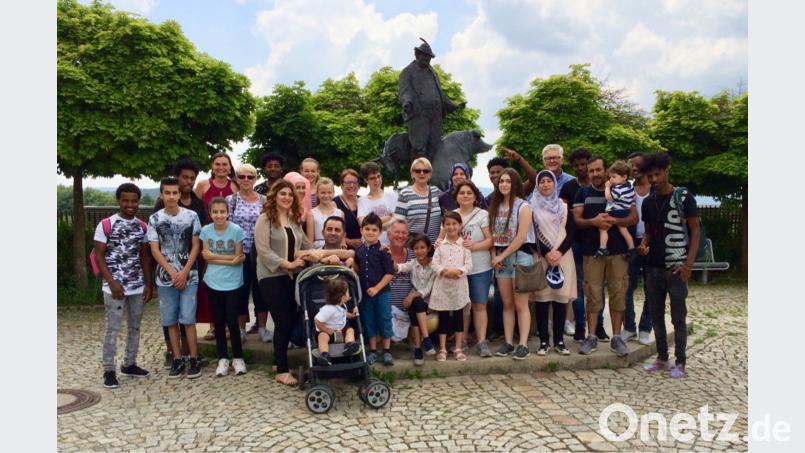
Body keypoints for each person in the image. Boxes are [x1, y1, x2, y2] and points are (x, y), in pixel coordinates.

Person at [639, 153, 699, 379]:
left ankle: (680, 361)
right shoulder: (648, 202)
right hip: (653, 267)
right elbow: (647, 233)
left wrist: (689, 264)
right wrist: (643, 246)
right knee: (656, 315)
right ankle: (662, 358)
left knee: (678, 317)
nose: (654, 179)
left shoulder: (683, 197)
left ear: (667, 171)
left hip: (677, 267)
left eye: (657, 174)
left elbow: (695, 230)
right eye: (650, 175)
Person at [573, 156, 637, 357]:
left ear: (605, 170)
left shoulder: (624, 188)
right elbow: (576, 220)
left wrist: (613, 220)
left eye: (598, 170)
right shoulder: (582, 192)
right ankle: (591, 336)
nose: (595, 174)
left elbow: (634, 217)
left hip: (618, 251)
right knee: (592, 294)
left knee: (618, 293)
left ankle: (616, 337)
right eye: (591, 171)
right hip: (592, 252)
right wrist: (594, 222)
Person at [254, 180, 314, 386]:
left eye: (290, 194)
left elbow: (306, 245)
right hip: (271, 277)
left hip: (291, 277)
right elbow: (263, 251)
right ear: (274, 196)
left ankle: (278, 360)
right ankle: (281, 370)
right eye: (283, 194)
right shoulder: (265, 219)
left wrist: (327, 255)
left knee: (288, 319)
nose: (287, 197)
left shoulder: (293, 220)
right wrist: (287, 264)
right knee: (283, 320)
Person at [94, 183, 153, 389]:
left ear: (138, 201)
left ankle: (129, 363)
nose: (130, 204)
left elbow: (145, 256)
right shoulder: (106, 224)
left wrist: (148, 283)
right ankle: (109, 370)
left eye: (134, 200)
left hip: (137, 285)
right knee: (113, 328)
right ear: (118, 200)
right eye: (125, 200)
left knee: (134, 327)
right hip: (114, 287)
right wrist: (111, 282)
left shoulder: (142, 226)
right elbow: (99, 257)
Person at [153, 158, 206, 368]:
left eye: (192, 178)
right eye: (185, 177)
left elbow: (197, 243)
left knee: (188, 317)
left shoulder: (196, 209)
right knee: (170, 318)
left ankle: (193, 356)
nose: (188, 181)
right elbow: (154, 247)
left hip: (189, 271)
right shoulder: (157, 214)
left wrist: (184, 272)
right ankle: (174, 355)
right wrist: (171, 272)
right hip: (165, 274)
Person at [438, 181, 494, 357]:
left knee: (479, 304)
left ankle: (481, 341)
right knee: (462, 306)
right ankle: (460, 341)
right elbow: (440, 240)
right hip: (457, 270)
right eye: (462, 193)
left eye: (469, 193)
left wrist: (474, 246)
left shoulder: (483, 215)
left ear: (475, 196)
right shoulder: (451, 216)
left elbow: (491, 240)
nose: (465, 196)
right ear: (456, 196)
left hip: (480, 266)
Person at [529, 171, 577, 356]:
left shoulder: (563, 207)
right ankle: (543, 342)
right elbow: (530, 236)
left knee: (559, 301)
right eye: (542, 181)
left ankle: (559, 341)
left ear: (555, 184)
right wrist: (548, 253)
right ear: (537, 185)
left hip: (563, 257)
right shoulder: (531, 208)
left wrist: (558, 252)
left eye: (549, 181)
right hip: (541, 257)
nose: (546, 184)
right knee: (542, 301)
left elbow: (572, 233)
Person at [200, 197, 248, 377]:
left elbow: (239, 258)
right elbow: (207, 257)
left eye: (222, 212)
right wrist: (230, 259)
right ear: (210, 213)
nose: (219, 215)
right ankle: (222, 358)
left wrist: (216, 257)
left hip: (233, 282)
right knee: (218, 321)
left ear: (228, 213)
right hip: (213, 281)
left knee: (233, 321)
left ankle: (238, 358)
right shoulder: (205, 231)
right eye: (215, 212)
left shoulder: (236, 231)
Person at [489, 168, 534, 360]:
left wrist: (501, 255)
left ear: (514, 184)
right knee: (507, 304)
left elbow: (521, 236)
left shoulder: (523, 206)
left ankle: (523, 344)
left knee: (521, 304)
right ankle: (508, 342)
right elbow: (492, 236)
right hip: (501, 257)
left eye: (508, 181)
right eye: (501, 181)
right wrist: (494, 256)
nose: (504, 184)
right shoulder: (495, 206)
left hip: (520, 257)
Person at [194, 152, 238, 342]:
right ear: (212, 166)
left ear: (229, 167)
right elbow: (195, 210)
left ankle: (229, 325)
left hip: (229, 238)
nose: (221, 168)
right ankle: (213, 325)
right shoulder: (203, 185)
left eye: (224, 164)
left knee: (229, 279)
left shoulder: (234, 185)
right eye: (217, 164)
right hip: (208, 236)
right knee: (209, 280)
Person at [398, 38, 465, 160]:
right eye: (425, 56)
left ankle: (434, 176)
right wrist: (407, 102)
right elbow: (404, 91)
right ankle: (418, 174)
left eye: (429, 57)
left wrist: (453, 105)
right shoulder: (407, 72)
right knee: (419, 148)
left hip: (435, 115)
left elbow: (440, 93)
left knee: (436, 146)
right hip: (419, 115)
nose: (427, 59)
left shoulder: (433, 72)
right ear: (417, 55)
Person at [225, 164, 270, 343]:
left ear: (255, 178)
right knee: (240, 292)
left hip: (260, 253)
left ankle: (262, 328)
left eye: (250, 177)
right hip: (240, 252)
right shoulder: (231, 200)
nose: (245, 180)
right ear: (236, 178)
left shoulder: (264, 200)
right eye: (242, 176)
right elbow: (226, 226)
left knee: (261, 291)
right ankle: (241, 329)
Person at [353, 213, 395, 366]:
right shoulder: (359, 250)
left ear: (380, 232)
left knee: (384, 318)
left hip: (382, 292)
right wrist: (351, 261)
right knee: (368, 320)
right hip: (365, 293)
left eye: (374, 230)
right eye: (367, 229)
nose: (370, 232)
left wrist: (377, 288)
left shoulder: (383, 251)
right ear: (362, 230)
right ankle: (372, 350)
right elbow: (357, 269)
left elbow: (390, 273)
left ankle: (387, 350)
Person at [429, 211, 472, 362]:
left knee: (459, 318)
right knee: (444, 318)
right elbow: (434, 263)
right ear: (443, 226)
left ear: (460, 225)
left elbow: (469, 264)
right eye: (448, 224)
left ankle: (458, 348)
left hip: (459, 287)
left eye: (454, 224)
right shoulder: (440, 244)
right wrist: (443, 271)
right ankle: (442, 349)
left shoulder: (464, 244)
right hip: (443, 287)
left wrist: (458, 271)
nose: (451, 227)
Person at [559, 148, 592, 342]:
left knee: (596, 288)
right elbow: (564, 215)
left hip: (597, 242)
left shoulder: (602, 186)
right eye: (577, 165)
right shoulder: (569, 187)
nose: (581, 168)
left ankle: (598, 328)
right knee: (579, 288)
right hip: (576, 242)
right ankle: (580, 326)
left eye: (584, 164)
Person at [621, 152, 654, 345]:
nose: (634, 168)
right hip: (631, 243)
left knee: (651, 289)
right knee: (627, 287)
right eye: (630, 165)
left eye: (637, 164)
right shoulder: (626, 189)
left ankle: (645, 328)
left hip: (652, 245)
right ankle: (630, 327)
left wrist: (648, 243)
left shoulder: (655, 190)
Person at [395, 232, 438, 365]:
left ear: (429, 248)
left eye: (422, 247)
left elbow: (428, 288)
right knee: (416, 305)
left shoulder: (434, 265)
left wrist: (412, 295)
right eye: (416, 248)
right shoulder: (413, 263)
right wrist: (388, 260)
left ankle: (418, 349)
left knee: (417, 302)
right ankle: (426, 340)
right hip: (416, 302)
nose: (419, 251)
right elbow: (400, 267)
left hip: (429, 302)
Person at [394, 157, 442, 243]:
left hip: (435, 247)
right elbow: (399, 222)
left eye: (426, 171)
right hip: (414, 247)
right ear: (412, 174)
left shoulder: (436, 191)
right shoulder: (405, 194)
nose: (422, 173)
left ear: (430, 174)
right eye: (418, 171)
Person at [315, 278, 361, 366]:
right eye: (347, 292)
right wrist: (325, 330)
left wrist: (351, 315)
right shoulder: (328, 309)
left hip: (341, 330)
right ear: (342, 297)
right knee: (322, 336)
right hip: (330, 333)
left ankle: (349, 345)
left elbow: (343, 314)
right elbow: (317, 320)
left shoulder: (342, 306)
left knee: (350, 330)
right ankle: (324, 354)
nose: (349, 294)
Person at [599, 161, 636, 258]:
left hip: (615, 211)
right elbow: (634, 197)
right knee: (624, 230)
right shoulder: (630, 185)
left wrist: (607, 187)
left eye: (613, 177)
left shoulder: (617, 189)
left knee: (603, 228)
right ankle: (632, 248)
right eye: (610, 177)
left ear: (624, 177)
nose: (611, 179)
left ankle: (603, 248)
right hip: (625, 211)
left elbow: (609, 198)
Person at [358, 162, 397, 245]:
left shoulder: (392, 196)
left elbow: (397, 219)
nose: (377, 180)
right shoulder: (362, 201)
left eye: (378, 176)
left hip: (390, 244)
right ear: (366, 180)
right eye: (372, 178)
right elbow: (363, 223)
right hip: (369, 246)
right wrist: (387, 218)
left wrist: (374, 225)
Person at [307, 178, 344, 249]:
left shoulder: (340, 213)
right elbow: (310, 241)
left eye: (329, 192)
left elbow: (342, 238)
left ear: (333, 193)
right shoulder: (311, 214)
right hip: (319, 250)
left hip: (336, 250)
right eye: (323, 193)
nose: (326, 196)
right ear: (317, 193)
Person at [333, 168, 363, 249]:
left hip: (364, 249)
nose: (352, 185)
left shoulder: (363, 201)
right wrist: (349, 241)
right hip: (344, 249)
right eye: (348, 183)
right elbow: (332, 231)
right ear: (342, 185)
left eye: (355, 182)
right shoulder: (335, 203)